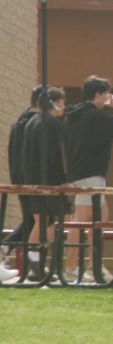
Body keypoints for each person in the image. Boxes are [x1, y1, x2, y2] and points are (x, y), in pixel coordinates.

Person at [62, 75, 113, 277]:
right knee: (81, 221)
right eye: (107, 94)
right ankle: (71, 268)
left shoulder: (71, 116)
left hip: (78, 173)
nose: (109, 97)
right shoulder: (95, 116)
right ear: (99, 94)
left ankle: (94, 265)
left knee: (100, 217)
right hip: (91, 175)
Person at [17, 87, 68, 280]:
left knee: (41, 220)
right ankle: (35, 255)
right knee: (54, 221)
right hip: (47, 181)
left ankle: (35, 260)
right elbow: (54, 155)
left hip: (31, 178)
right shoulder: (51, 123)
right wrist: (63, 179)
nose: (63, 107)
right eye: (62, 102)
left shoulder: (31, 122)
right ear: (53, 103)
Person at [1, 86, 43, 279]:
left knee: (32, 218)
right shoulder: (32, 123)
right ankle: (8, 247)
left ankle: (8, 247)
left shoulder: (20, 121)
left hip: (19, 177)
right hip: (29, 179)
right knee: (38, 219)